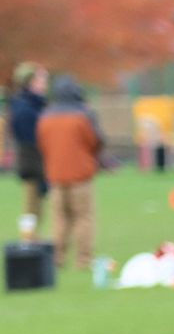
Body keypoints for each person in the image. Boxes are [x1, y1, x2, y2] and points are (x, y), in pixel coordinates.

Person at [35, 75, 104, 271]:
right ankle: (83, 260)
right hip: (80, 175)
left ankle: (57, 259)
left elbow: (42, 145)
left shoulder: (45, 117)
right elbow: (95, 141)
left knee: (59, 219)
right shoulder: (83, 115)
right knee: (83, 217)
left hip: (56, 175)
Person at [9, 63, 48, 239]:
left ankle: (32, 238)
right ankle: (28, 240)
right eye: (41, 78)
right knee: (31, 205)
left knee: (36, 205)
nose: (45, 82)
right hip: (32, 161)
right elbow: (31, 138)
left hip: (36, 160)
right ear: (31, 81)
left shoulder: (33, 104)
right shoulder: (25, 107)